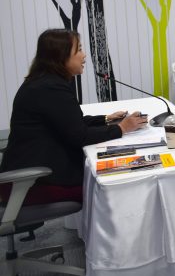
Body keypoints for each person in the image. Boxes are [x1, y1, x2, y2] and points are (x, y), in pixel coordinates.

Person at [0, 29, 147, 205]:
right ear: (60, 56)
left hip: (34, 171)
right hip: (35, 183)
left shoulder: (45, 81)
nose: (83, 55)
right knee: (111, 186)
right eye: (78, 50)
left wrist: (106, 119)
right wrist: (121, 128)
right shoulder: (50, 88)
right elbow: (80, 136)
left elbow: (70, 123)